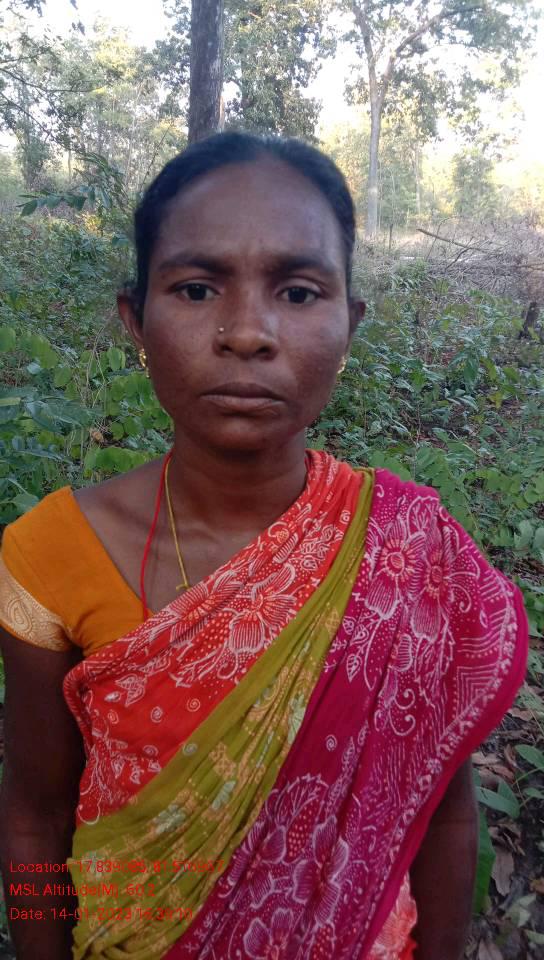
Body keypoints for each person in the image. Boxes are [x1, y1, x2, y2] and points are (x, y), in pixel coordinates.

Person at [0, 131, 528, 960]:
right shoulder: (51, 554)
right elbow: (35, 818)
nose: (247, 333)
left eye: (299, 291)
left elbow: (444, 814)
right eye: (197, 288)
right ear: (136, 318)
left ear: (349, 324)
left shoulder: (408, 554)